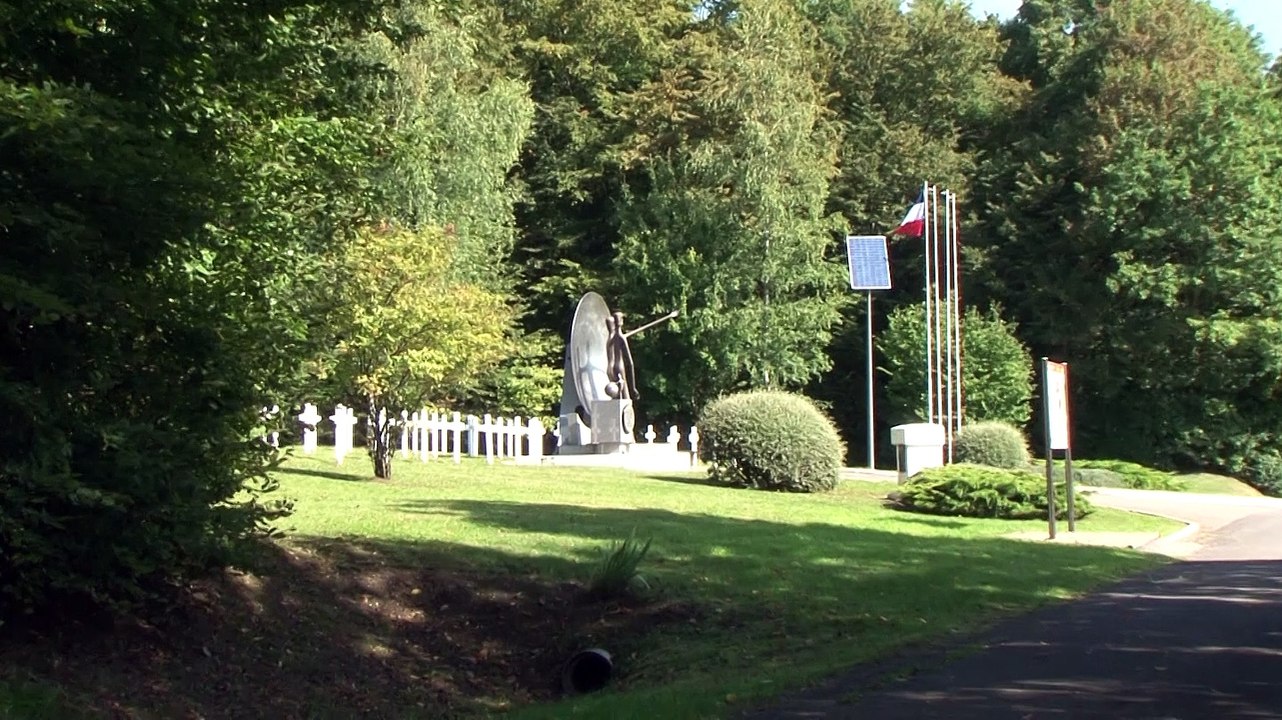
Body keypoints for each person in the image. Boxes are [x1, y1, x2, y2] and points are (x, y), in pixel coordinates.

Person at [605, 311, 637, 400]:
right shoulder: (621, 337)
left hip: (609, 368)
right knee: (625, 393)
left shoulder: (609, 339)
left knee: (617, 396)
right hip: (619, 366)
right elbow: (630, 362)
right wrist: (633, 387)